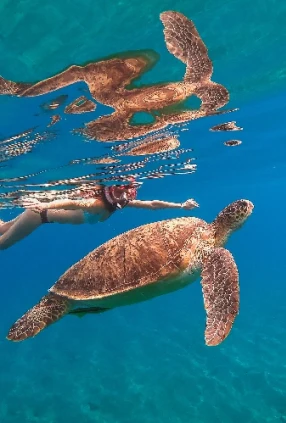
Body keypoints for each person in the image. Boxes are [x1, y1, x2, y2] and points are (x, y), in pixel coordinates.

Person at [0, 181, 199, 250]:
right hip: (39, 215)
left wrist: (181, 206)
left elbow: (152, 205)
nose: (123, 198)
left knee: (3, 229)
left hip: (39, 213)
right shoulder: (99, 205)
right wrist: (44, 204)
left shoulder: (120, 202)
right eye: (120, 193)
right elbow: (73, 203)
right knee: (3, 244)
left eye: (125, 194)